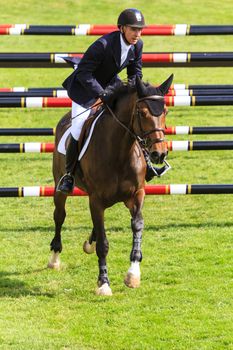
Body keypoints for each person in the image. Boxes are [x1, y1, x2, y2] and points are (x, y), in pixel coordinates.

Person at [57, 8, 158, 194]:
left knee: (131, 119)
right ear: (122, 28)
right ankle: (69, 175)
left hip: (110, 85)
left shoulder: (137, 45)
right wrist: (100, 94)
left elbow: (135, 73)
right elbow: (84, 73)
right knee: (79, 127)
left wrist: (138, 92)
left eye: (140, 30)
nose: (137, 34)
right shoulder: (103, 45)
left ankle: (148, 164)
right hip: (84, 89)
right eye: (133, 29)